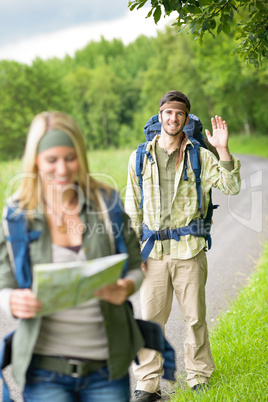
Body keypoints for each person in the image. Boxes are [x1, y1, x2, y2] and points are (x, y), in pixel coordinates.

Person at [0, 111, 145, 402]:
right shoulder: (17, 216)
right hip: (45, 373)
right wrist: (11, 301)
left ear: (81, 155)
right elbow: (4, 283)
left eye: (70, 157)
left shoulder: (107, 204)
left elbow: (135, 268)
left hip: (107, 369)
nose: (63, 169)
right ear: (36, 161)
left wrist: (126, 287)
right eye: (51, 160)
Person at [125, 90, 241, 401]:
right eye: (168, 112)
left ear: (185, 119)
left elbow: (231, 186)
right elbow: (132, 208)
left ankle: (198, 375)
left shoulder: (199, 156)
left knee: (195, 318)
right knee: (150, 321)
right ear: (159, 116)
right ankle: (147, 384)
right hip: (153, 254)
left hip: (190, 251)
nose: (173, 118)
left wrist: (223, 150)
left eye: (179, 113)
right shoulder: (139, 157)